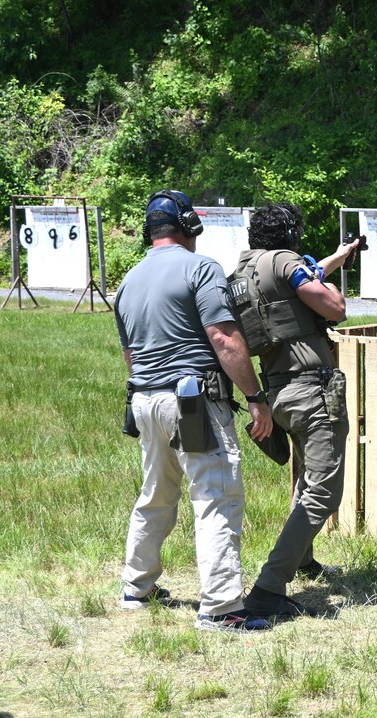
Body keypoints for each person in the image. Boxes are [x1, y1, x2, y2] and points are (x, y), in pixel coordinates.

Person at [115, 189, 275, 634]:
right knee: (216, 494)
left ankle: (136, 587)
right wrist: (256, 396)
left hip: (145, 399)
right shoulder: (200, 268)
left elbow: (131, 356)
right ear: (189, 226)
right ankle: (222, 607)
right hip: (192, 402)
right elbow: (223, 338)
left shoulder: (128, 281)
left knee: (156, 492)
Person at [234, 202, 361, 619]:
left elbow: (292, 291)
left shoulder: (245, 271)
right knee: (323, 490)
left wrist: (334, 260)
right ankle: (270, 585)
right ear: (289, 236)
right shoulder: (287, 261)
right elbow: (333, 308)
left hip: (278, 392)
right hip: (312, 391)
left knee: (307, 477)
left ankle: (303, 559)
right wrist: (326, 282)